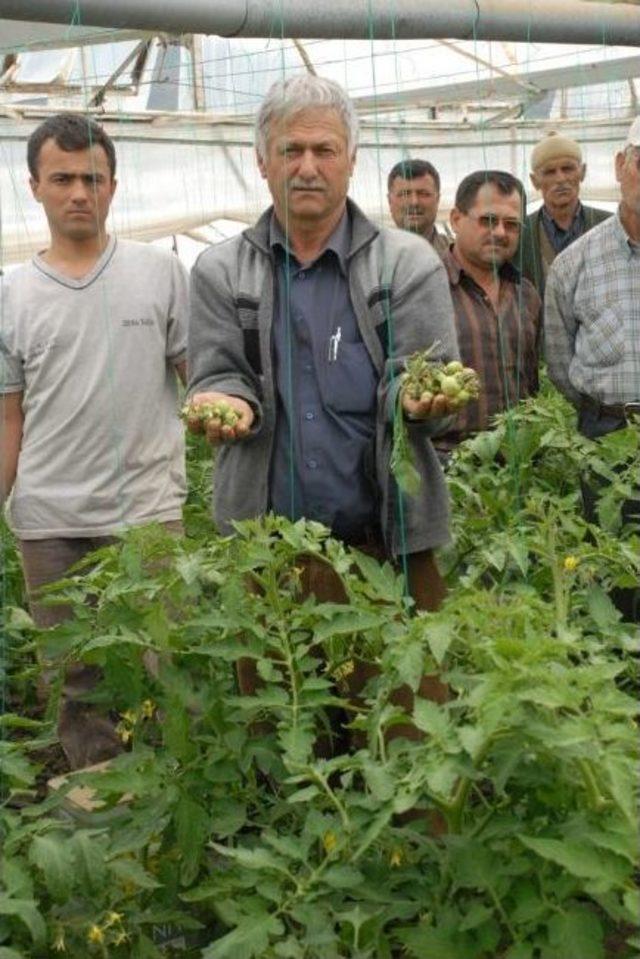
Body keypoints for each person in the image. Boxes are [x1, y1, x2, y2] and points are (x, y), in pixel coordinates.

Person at [188, 74, 459, 621]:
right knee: (278, 701)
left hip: (388, 545)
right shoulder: (221, 271)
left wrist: (417, 399)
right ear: (262, 161)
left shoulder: (406, 264)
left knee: (405, 702)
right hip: (267, 551)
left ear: (351, 159)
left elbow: (427, 377)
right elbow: (218, 374)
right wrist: (226, 400)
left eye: (324, 150)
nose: (307, 167)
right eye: (291, 150)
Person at [0, 113, 189, 767]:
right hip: (48, 521)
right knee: (75, 678)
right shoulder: (12, 294)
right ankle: (100, 802)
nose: (79, 191)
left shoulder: (160, 273)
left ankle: (172, 795)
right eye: (63, 178)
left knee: (163, 660)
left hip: (146, 513)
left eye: (92, 178)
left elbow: (202, 381)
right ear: (35, 186)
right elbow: (8, 418)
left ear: (113, 186)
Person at [545, 117, 640, 620]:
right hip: (606, 433)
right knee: (614, 564)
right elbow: (560, 363)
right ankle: (622, 681)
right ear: (621, 166)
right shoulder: (575, 263)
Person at [433, 170, 542, 461]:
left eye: (511, 224)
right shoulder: (426, 290)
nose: (500, 233)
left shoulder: (526, 294)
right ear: (456, 219)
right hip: (450, 467)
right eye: (488, 220)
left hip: (519, 466)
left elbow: (532, 383)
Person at [517, 132, 610, 298]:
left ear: (582, 172)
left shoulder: (611, 225)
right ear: (534, 181)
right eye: (550, 172)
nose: (560, 179)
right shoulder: (520, 233)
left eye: (567, 169)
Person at [387, 158, 449, 258]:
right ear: (389, 201)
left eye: (423, 194)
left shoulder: (459, 256)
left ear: (437, 200)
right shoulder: (372, 258)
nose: (414, 202)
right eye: (405, 194)